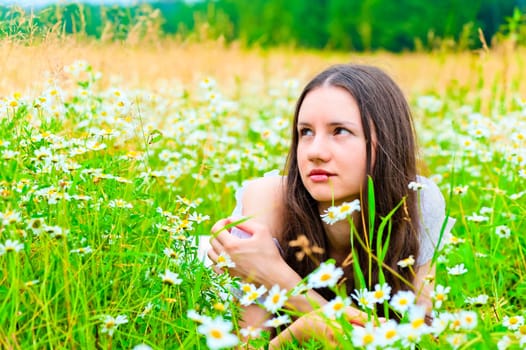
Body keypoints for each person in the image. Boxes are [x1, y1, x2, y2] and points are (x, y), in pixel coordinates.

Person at [206, 63, 455, 347]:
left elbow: (423, 337)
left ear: (386, 141)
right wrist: (303, 331)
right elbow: (249, 345)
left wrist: (278, 277)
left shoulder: (418, 200)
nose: (315, 152)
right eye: (306, 132)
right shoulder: (265, 203)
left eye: (340, 131)